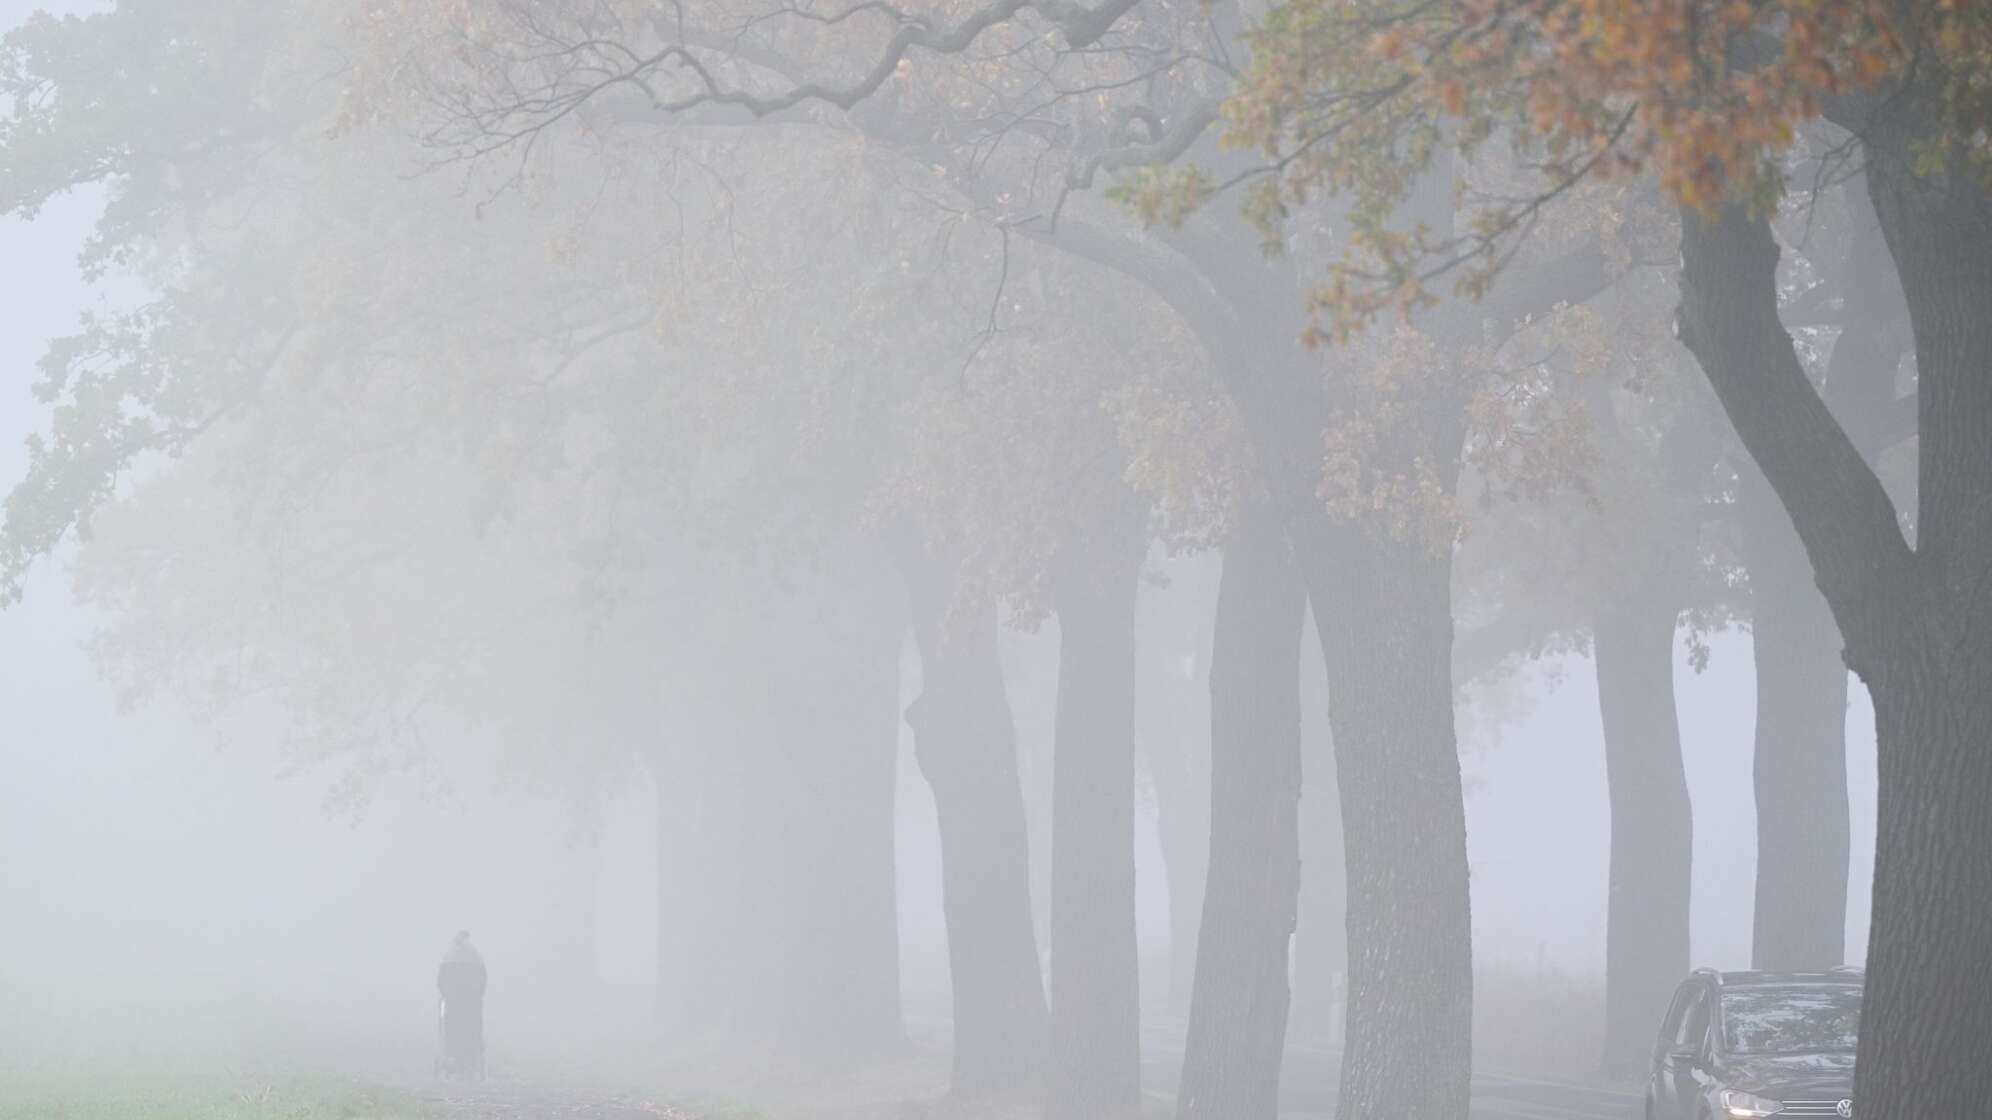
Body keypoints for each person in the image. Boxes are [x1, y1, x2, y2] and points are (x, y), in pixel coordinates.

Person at [436, 930, 487, 1080]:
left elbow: (441, 981)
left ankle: (453, 1054)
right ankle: (471, 1055)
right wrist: (478, 994)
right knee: (473, 1027)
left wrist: (445, 993)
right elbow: (483, 979)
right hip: (471, 1000)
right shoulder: (475, 957)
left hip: (453, 1001)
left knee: (450, 1026)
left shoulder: (449, 957)